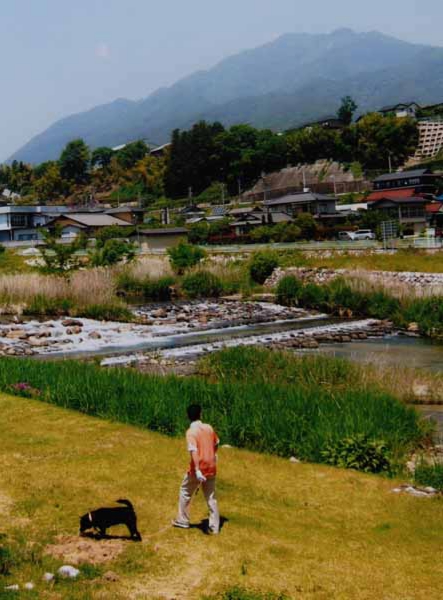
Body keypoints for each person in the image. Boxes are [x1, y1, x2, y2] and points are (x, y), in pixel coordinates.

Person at [172, 404, 220, 534]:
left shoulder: (191, 432)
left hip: (198, 469)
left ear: (188, 417)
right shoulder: (208, 427)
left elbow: (194, 451)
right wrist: (213, 455)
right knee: (211, 497)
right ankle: (214, 527)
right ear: (201, 414)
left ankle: (182, 520)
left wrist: (198, 470)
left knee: (185, 491)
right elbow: (216, 443)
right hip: (211, 466)